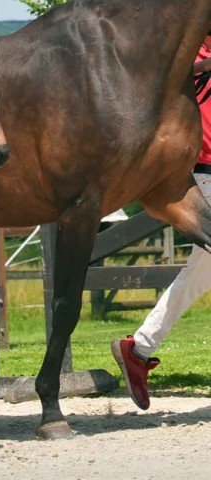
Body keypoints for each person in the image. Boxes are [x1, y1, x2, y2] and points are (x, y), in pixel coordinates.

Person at [111, 34, 211, 410]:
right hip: (200, 177)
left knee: (199, 276)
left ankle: (137, 349)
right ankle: (138, 349)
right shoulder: (190, 46)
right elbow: (170, 76)